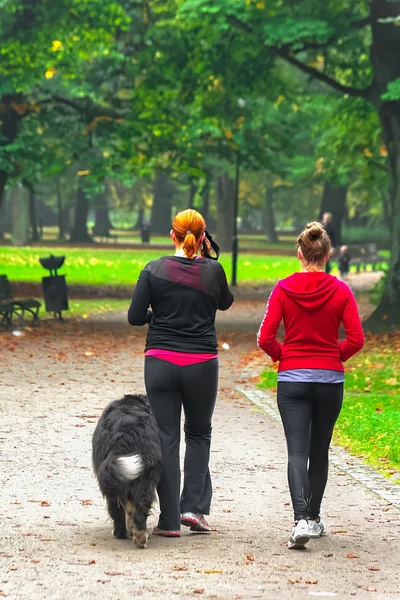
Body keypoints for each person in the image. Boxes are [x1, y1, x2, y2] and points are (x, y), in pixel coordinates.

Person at [257, 221, 364, 550]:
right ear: (328, 255)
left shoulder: (283, 288)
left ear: (299, 254)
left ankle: (301, 519)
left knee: (296, 452)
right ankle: (314, 518)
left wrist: (283, 356)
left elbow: (265, 338)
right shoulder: (342, 291)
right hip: (329, 381)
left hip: (293, 381)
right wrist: (335, 355)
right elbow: (356, 339)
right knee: (320, 451)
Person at [128, 208, 234, 537]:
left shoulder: (153, 269)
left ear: (171, 235)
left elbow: (134, 316)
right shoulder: (213, 271)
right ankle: (194, 510)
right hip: (201, 362)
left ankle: (170, 521)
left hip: (161, 362)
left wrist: (153, 316)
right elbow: (225, 303)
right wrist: (207, 258)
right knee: (199, 433)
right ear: (202, 238)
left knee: (166, 438)